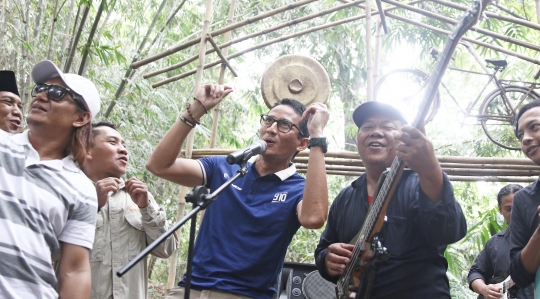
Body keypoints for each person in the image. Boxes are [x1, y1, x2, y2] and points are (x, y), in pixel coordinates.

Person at [146, 84, 330, 299]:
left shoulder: (298, 189)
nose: (271, 128)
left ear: (302, 144)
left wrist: (318, 138)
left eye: (284, 125)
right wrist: (194, 112)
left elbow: (314, 218)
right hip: (190, 290)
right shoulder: (226, 167)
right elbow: (159, 166)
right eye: (269, 120)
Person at [315, 101, 467, 299]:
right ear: (359, 138)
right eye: (368, 127)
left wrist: (430, 169)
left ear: (402, 141)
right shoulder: (346, 197)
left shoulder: (421, 184)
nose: (376, 132)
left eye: (387, 127)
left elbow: (449, 231)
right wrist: (327, 259)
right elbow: (323, 249)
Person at [0, 60, 100, 298]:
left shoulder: (82, 188)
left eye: (56, 93)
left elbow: (74, 271)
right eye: (40, 89)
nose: (41, 96)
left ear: (81, 118)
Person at [81, 121, 177, 299]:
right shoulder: (70, 191)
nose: (123, 150)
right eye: (112, 142)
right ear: (86, 150)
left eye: (124, 145)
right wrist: (92, 206)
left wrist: (146, 208)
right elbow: (50, 250)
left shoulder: (139, 196)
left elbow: (166, 249)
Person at [468, 184, 533, 299]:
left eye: (518, 206)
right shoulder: (495, 244)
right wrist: (485, 289)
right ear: (500, 209)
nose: (514, 213)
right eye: (509, 209)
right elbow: (475, 273)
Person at [509, 99, 540, 294]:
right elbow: (519, 275)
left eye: (535, 127)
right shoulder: (523, 199)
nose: (525, 139)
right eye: (521, 136)